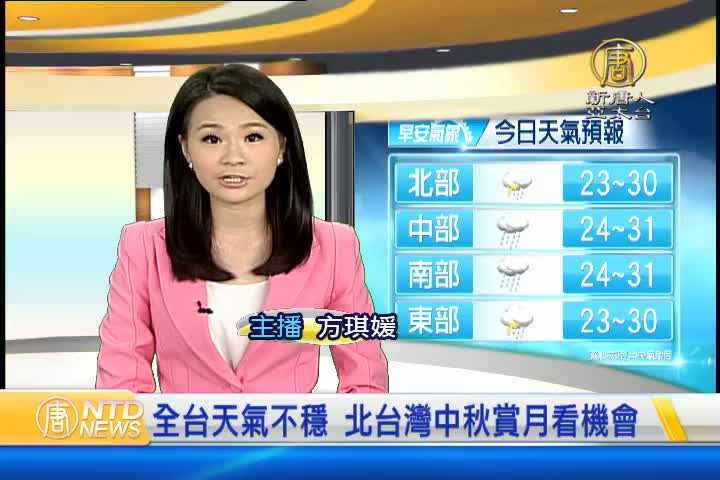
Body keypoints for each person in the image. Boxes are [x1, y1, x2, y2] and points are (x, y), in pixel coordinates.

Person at [96, 64, 389, 393]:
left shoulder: (335, 247)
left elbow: (366, 382)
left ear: (282, 147)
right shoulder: (142, 247)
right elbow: (121, 388)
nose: (233, 157)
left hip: (288, 427)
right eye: (212, 138)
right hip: (184, 428)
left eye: (253, 137)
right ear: (185, 148)